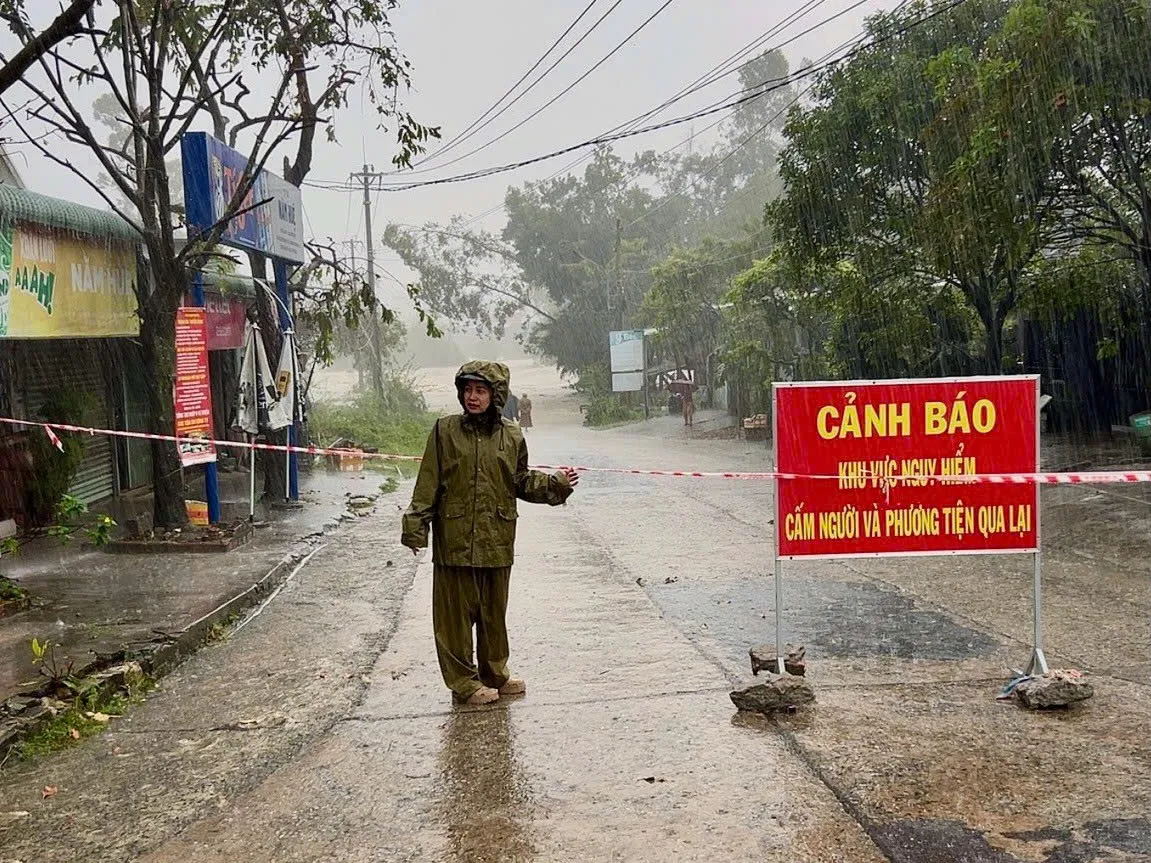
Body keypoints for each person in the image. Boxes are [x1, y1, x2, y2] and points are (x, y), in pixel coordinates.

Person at [401, 361, 579, 706]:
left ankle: (495, 673)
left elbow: (521, 481)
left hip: (497, 536)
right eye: (468, 390)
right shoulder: (445, 431)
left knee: (493, 615)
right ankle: (464, 684)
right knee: (453, 618)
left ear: (495, 395)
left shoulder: (512, 435)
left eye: (480, 390)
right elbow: (428, 483)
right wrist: (416, 527)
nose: (472, 397)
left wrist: (555, 483)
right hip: (454, 537)